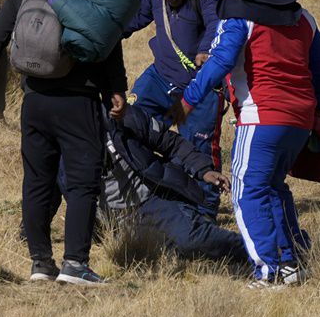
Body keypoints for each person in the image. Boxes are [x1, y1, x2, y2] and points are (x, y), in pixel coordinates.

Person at [0, 0, 128, 285]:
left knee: (37, 180)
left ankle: (40, 263)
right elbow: (108, 43)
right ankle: (75, 264)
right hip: (79, 100)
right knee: (81, 183)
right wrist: (116, 89)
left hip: (35, 100)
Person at [173, 0, 320, 288]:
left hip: (261, 117)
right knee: (272, 187)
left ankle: (271, 271)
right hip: (300, 119)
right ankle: (292, 262)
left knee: (248, 191)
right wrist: (315, 109)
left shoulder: (239, 20)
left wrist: (187, 101)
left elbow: (218, 63)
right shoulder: (303, 17)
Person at [124, 0, 225, 214]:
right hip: (159, 77)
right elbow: (138, 15)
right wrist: (110, 30)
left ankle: (205, 212)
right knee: (128, 124)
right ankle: (144, 195)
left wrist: (206, 49)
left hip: (199, 87)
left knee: (199, 150)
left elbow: (217, 25)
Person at [94, 108, 245, 264]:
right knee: (155, 256)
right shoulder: (70, 137)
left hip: (150, 201)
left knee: (191, 240)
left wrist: (203, 169)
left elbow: (171, 143)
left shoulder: (125, 117)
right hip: (111, 219)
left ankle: (257, 251)